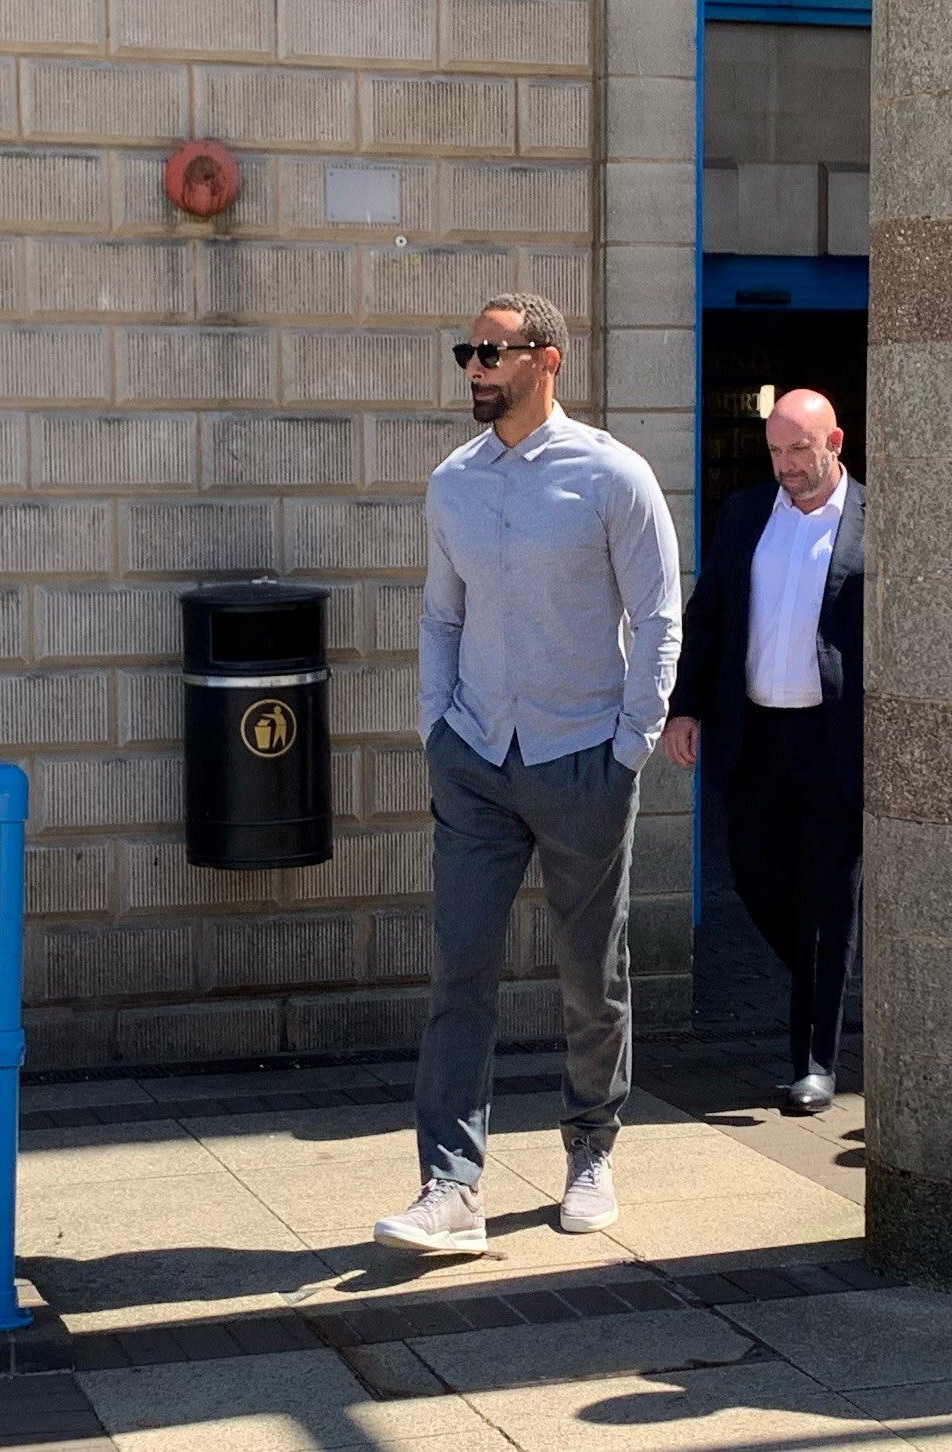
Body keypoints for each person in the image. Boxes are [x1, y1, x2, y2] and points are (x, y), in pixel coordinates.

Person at [374, 291, 682, 1253]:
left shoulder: (612, 476)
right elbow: (441, 616)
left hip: (581, 756)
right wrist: (435, 726)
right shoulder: (453, 482)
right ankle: (449, 1185)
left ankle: (590, 1148)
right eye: (468, 350)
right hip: (475, 760)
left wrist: (631, 742)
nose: (475, 367)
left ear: (548, 359)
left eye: (494, 352)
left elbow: (661, 616)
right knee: (459, 973)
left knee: (591, 976)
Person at [661, 391, 864, 1115]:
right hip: (755, 733)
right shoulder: (746, 515)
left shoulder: (879, 523)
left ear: (834, 441)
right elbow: (708, 615)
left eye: (800, 451)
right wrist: (684, 707)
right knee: (753, 877)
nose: (787, 467)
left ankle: (815, 1060)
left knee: (829, 897)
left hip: (833, 740)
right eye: (776, 453)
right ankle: (824, 980)